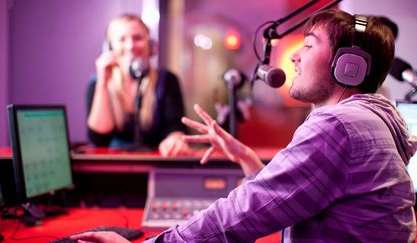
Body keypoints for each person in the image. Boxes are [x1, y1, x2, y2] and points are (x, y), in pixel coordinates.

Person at [73, 9, 416, 242]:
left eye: (308, 46)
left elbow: (240, 215)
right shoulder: (371, 118)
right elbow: (288, 198)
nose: (294, 57)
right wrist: (247, 158)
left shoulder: (338, 126)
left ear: (349, 68)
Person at [87, 14, 192, 156]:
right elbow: (99, 139)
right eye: (122, 39)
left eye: (137, 38)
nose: (130, 46)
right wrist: (103, 83)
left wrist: (175, 139)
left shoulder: (167, 80)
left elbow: (176, 127)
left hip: (156, 164)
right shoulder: (97, 83)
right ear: (110, 47)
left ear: (151, 45)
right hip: (114, 167)